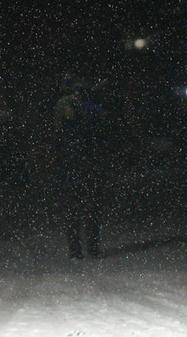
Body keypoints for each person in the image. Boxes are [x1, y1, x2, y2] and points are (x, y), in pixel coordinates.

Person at [53, 75, 108, 259]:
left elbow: (99, 120)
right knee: (73, 208)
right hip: (71, 161)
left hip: (86, 161)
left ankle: (91, 247)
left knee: (91, 207)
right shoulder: (65, 104)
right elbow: (65, 121)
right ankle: (76, 249)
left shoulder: (90, 106)